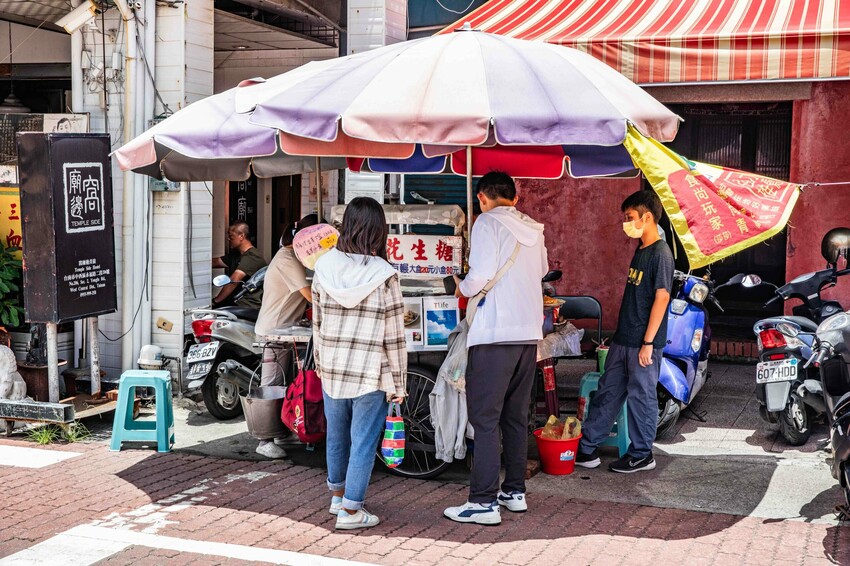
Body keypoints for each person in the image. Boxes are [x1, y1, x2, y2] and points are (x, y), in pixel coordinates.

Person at [443, 171, 548, 526]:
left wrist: (460, 286)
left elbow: (478, 279)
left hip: (493, 334)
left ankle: (483, 502)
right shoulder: (534, 227)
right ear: (514, 198)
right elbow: (543, 270)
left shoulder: (486, 223)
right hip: (528, 335)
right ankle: (513, 491)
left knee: (485, 419)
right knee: (515, 418)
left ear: (482, 198)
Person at [312, 197, 406, 530]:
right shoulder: (385, 275)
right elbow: (394, 336)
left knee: (336, 435)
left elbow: (317, 324)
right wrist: (399, 384)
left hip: (333, 368)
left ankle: (338, 498)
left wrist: (321, 365)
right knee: (363, 439)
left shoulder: (324, 267)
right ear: (379, 232)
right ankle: (352, 511)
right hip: (371, 369)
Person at [576, 189, 674, 473]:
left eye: (630, 217)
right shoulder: (641, 250)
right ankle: (587, 448)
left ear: (647, 217)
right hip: (623, 339)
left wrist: (647, 342)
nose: (626, 223)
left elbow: (662, 298)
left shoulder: (661, 253)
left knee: (641, 398)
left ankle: (642, 454)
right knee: (608, 393)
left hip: (643, 343)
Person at [252, 214, 318, 459]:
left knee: (286, 384)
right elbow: (309, 294)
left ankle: (282, 431)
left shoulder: (295, 257)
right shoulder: (287, 258)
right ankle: (264, 440)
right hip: (274, 330)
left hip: (287, 328)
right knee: (271, 385)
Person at [211, 222, 267, 309]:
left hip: (248, 305)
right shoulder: (236, 255)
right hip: (236, 302)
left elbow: (234, 281)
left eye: (231, 236)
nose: (228, 239)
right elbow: (215, 262)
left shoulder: (252, 256)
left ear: (241, 236)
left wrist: (216, 301)